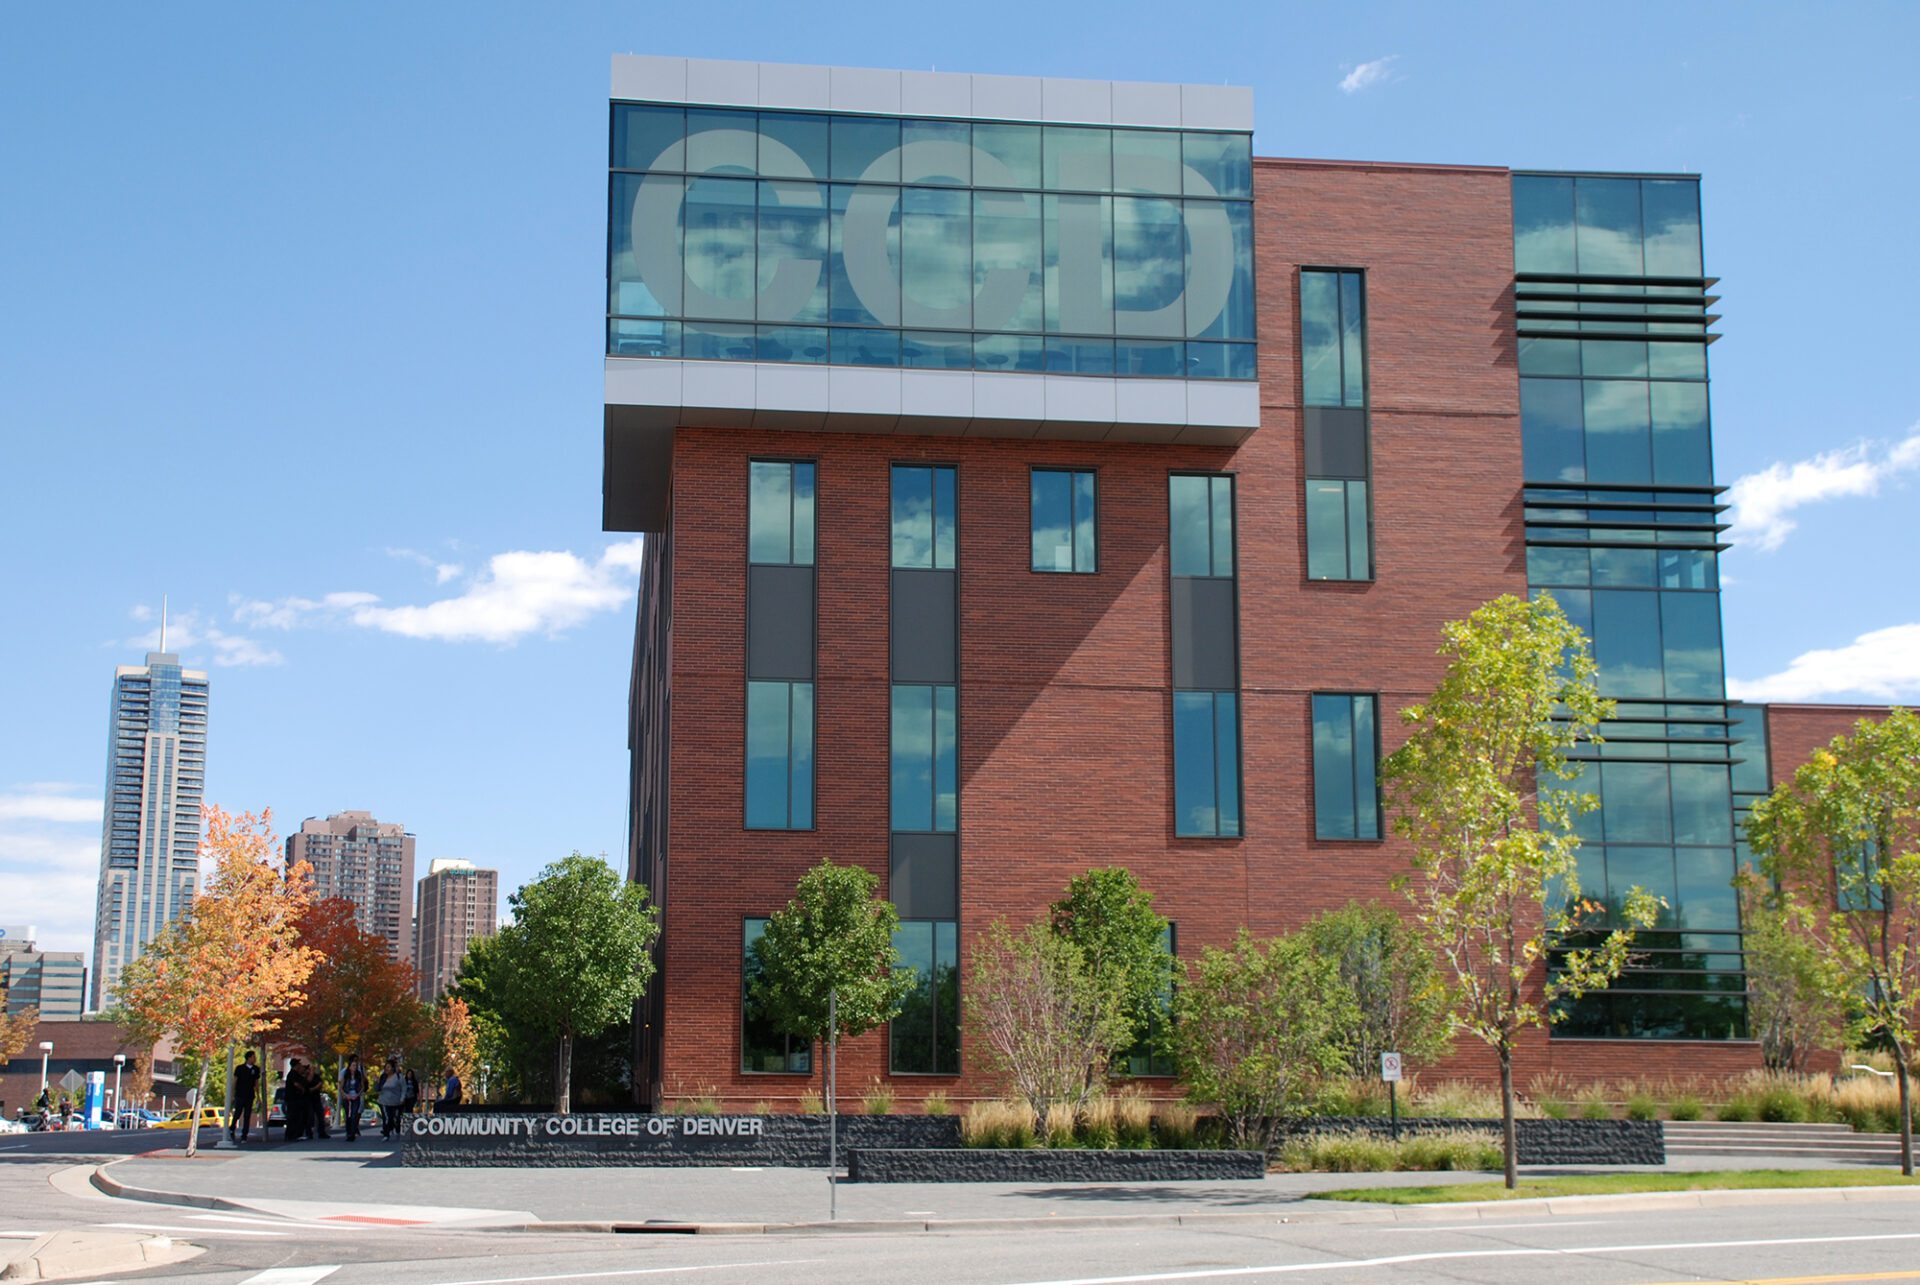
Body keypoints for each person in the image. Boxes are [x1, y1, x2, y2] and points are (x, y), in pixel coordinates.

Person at [231, 1052, 261, 1143]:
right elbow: (235, 1081)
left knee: (247, 1115)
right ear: (248, 1058)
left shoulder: (256, 1069)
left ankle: (244, 1135)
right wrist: (232, 1094)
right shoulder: (240, 1068)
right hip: (240, 1094)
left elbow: (256, 1083)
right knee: (238, 1113)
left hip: (250, 1095)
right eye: (253, 1057)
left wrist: (258, 1096)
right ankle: (232, 1128)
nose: (255, 1059)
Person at [375, 1058, 406, 1139]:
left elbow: (403, 1088)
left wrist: (402, 1098)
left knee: (394, 1118)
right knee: (386, 1117)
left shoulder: (399, 1077)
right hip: (383, 1101)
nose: (386, 1069)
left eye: (388, 1067)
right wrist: (377, 1082)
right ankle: (386, 1133)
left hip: (395, 1101)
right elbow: (377, 1089)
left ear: (392, 1068)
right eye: (386, 1067)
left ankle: (393, 1128)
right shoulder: (383, 1077)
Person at [339, 1053, 365, 1143]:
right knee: (348, 1115)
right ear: (349, 1066)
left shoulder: (359, 1074)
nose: (355, 1067)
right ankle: (348, 1132)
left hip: (356, 1096)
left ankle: (352, 1133)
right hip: (347, 1096)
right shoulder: (345, 1074)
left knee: (354, 1115)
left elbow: (362, 1086)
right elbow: (340, 1087)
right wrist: (345, 1095)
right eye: (353, 1065)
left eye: (356, 1065)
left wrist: (358, 1094)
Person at [284, 1058, 309, 1142]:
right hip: (293, 1099)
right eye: (299, 1064)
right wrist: (302, 1088)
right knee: (293, 1117)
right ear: (296, 1065)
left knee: (296, 1117)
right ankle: (291, 1135)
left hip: (295, 1099)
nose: (300, 1065)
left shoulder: (296, 1074)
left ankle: (294, 1134)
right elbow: (296, 1084)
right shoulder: (292, 1074)